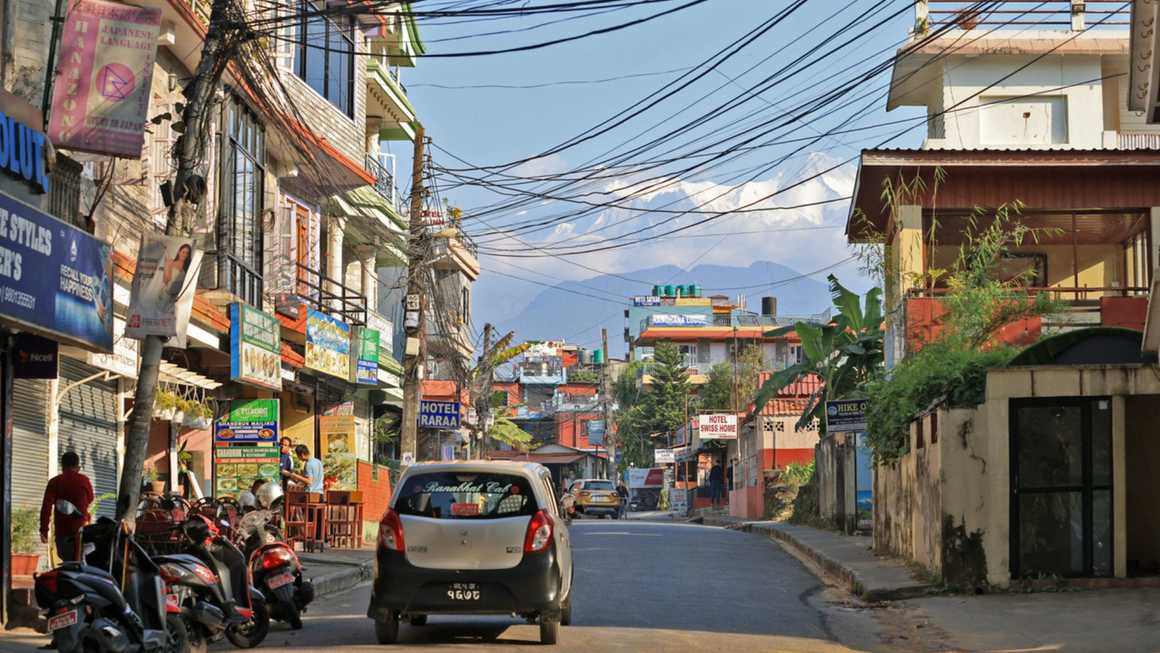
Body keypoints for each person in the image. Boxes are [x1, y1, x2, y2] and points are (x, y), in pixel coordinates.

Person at [40, 452, 94, 562]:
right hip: (82, 531)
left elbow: (46, 507)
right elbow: (91, 498)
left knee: (67, 563)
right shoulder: (84, 480)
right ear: (77, 467)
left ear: (62, 466)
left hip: (62, 533)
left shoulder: (54, 482)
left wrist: (44, 530)